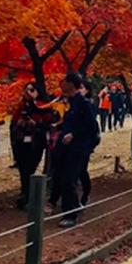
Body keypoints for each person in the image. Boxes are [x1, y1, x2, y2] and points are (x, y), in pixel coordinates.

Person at [56, 72, 99, 228]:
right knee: (62, 178)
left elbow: (91, 127)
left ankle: (70, 215)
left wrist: (74, 135)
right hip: (65, 148)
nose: (62, 84)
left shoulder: (83, 103)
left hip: (78, 149)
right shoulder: (69, 102)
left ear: (72, 84)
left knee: (69, 180)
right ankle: (72, 207)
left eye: (65, 81)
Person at [10, 83, 56, 210]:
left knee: (30, 169)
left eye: (31, 90)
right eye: (26, 89)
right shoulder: (21, 106)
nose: (28, 92)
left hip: (36, 143)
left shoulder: (44, 106)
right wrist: (19, 123)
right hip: (21, 142)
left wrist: (35, 124)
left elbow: (49, 124)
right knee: (23, 170)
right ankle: (25, 195)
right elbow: (13, 124)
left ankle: (29, 197)